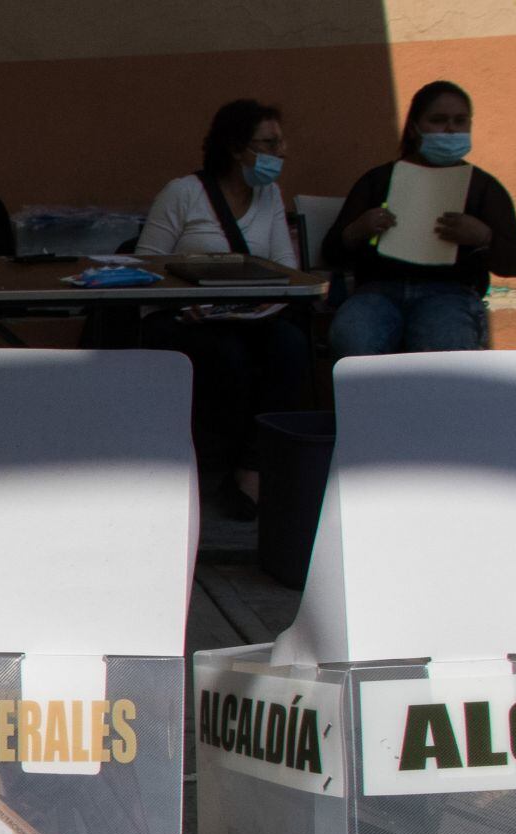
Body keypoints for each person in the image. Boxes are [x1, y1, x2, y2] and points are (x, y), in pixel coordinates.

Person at [136, 99, 311, 519]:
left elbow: (287, 272)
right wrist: (190, 300)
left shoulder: (269, 196)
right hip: (181, 319)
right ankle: (208, 466)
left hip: (247, 317)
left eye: (281, 142)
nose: (280, 152)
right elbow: (145, 268)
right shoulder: (183, 194)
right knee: (227, 357)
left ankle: (253, 469)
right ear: (237, 149)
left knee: (290, 346)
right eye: (269, 143)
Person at [324, 80, 516, 358]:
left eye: (460, 121)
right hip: (377, 293)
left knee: (446, 345)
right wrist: (358, 229)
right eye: (438, 120)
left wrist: (483, 237)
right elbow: (331, 251)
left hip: (451, 294)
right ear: (414, 127)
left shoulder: (483, 187)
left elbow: (515, 263)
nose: (450, 130)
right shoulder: (379, 180)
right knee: (355, 335)